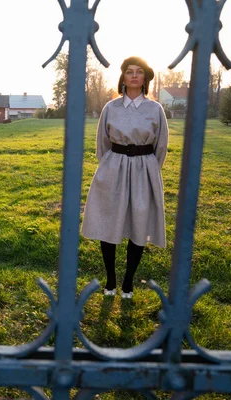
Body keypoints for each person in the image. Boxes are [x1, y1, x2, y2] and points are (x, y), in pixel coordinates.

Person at [81, 56, 169, 299]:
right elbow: (102, 144)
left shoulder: (155, 109)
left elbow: (161, 146)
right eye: (129, 71)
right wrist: (112, 167)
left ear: (145, 78)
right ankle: (110, 280)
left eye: (138, 72)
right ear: (123, 77)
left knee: (139, 223)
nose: (133, 75)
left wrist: (148, 167)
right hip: (113, 169)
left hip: (144, 170)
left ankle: (128, 281)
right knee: (108, 223)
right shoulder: (111, 108)